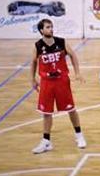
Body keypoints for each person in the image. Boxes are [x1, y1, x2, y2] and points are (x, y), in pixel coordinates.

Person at [30, 19, 87, 154]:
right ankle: (46, 141)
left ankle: (79, 135)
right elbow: (33, 63)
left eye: (51, 27)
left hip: (62, 81)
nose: (51, 29)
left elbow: (73, 55)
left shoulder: (61, 42)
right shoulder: (37, 46)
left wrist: (77, 73)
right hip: (46, 83)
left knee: (71, 109)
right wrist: (32, 79)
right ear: (41, 31)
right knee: (47, 113)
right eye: (48, 27)